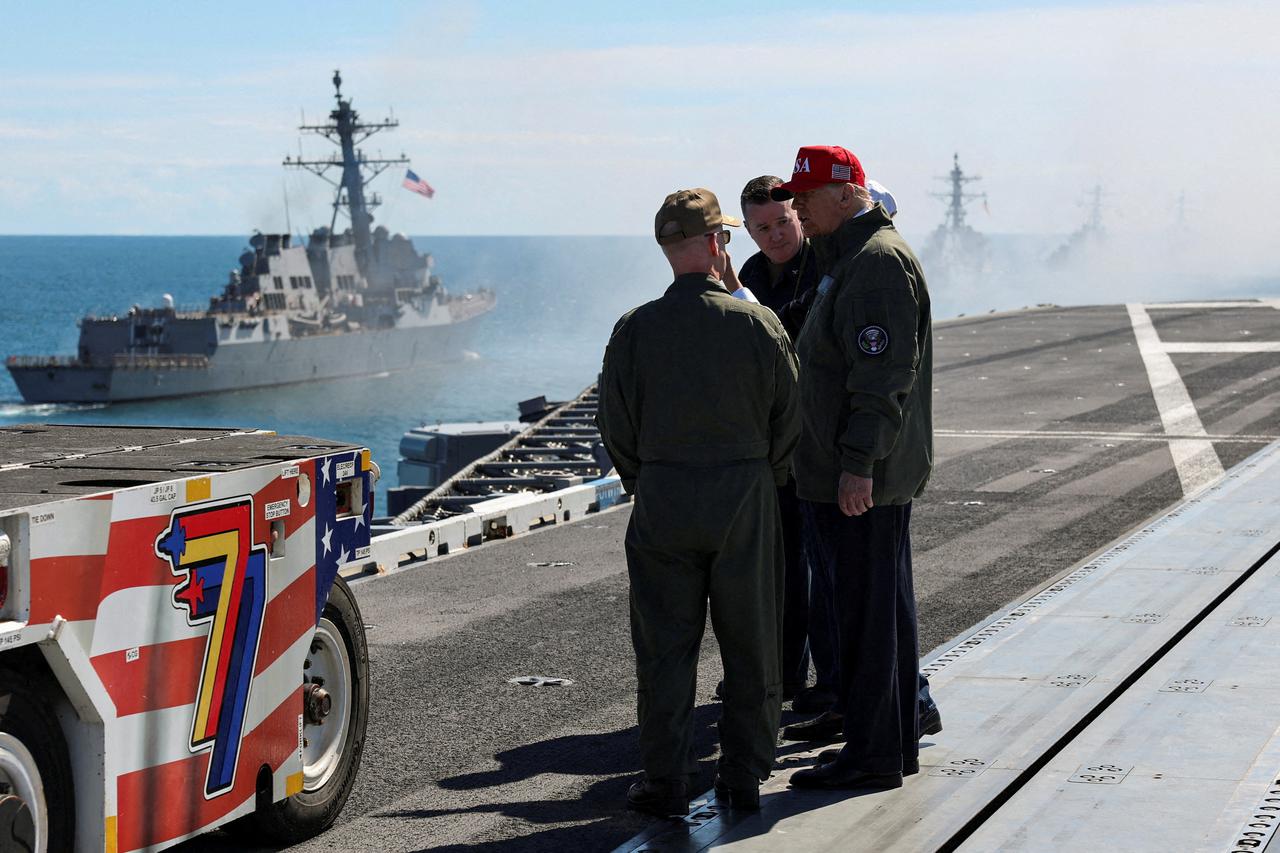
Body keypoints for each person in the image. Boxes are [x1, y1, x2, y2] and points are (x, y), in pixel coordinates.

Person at [597, 187, 800, 815]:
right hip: (744, 494)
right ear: (718, 243)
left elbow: (615, 426)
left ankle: (665, 780)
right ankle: (742, 775)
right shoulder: (756, 322)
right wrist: (760, 475)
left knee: (663, 647)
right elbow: (789, 419)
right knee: (751, 640)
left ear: (666, 251)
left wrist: (649, 478)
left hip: (662, 496)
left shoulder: (634, 330)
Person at [768, 146, 935, 791]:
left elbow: (881, 376)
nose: (797, 210)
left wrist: (857, 465)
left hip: (860, 478)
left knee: (867, 620)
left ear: (845, 193)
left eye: (805, 198)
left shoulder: (875, 266)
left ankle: (871, 754)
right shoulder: (854, 258)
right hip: (853, 471)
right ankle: (890, 745)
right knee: (880, 614)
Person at [735, 175, 834, 714]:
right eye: (761, 227)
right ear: (747, 230)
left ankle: (830, 683)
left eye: (782, 223)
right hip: (775, 443)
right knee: (783, 569)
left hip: (816, 439)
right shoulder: (751, 272)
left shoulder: (823, 265)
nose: (774, 235)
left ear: (799, 215)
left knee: (823, 571)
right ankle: (785, 675)